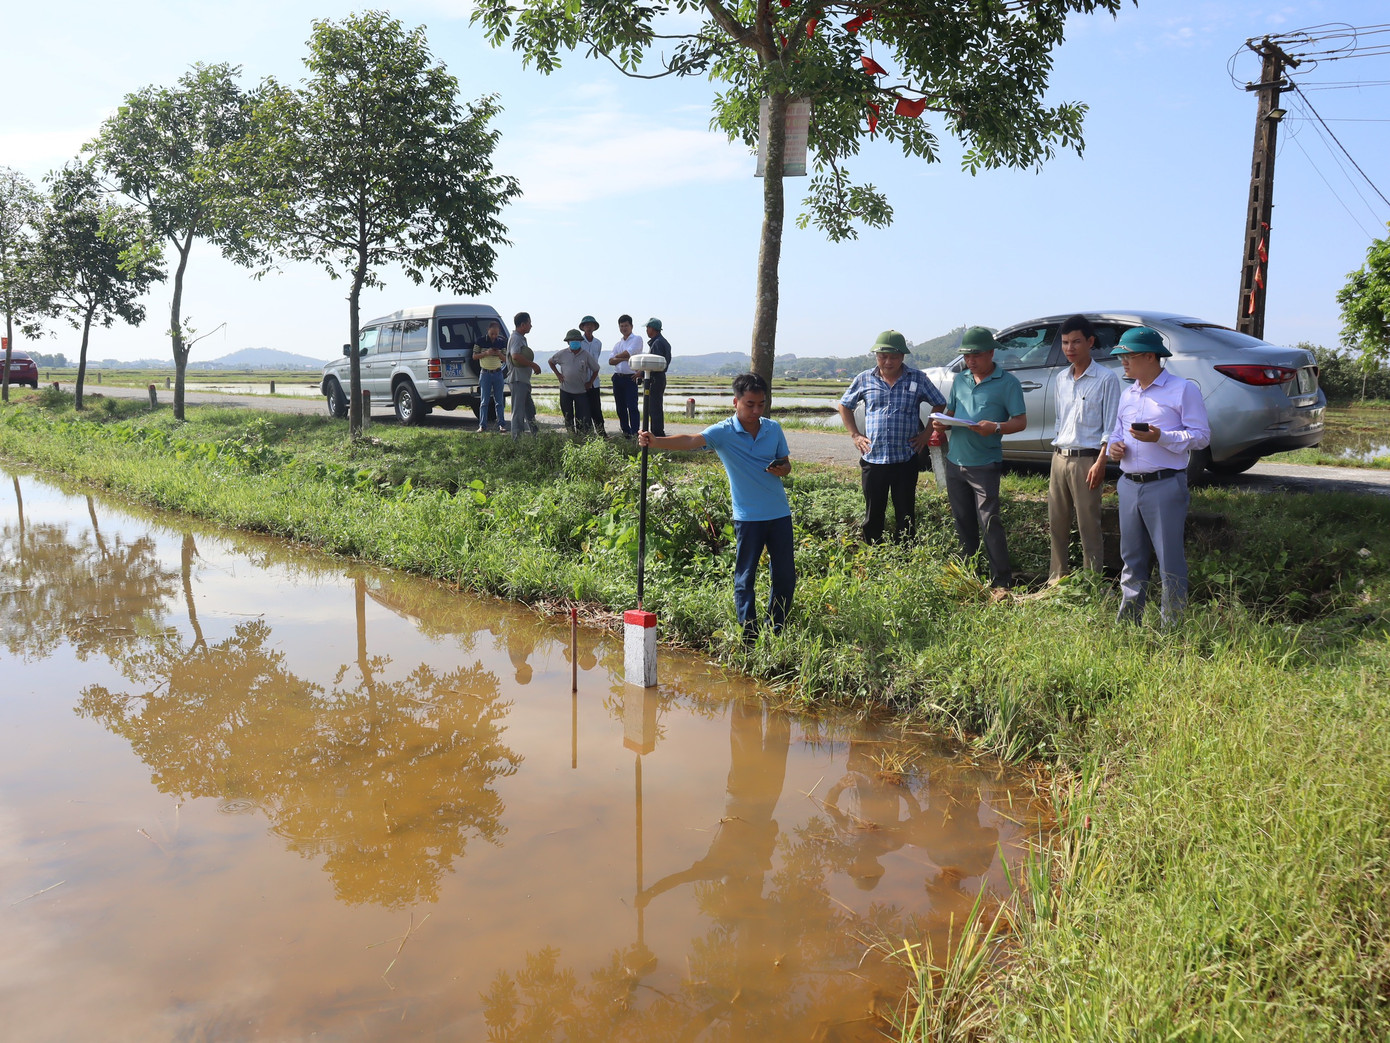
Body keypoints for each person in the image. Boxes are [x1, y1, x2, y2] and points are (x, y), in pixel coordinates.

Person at [639, 373, 794, 637]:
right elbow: (690, 440)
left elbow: (786, 463)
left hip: (779, 513)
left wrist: (783, 470)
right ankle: (749, 633)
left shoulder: (773, 429)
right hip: (748, 517)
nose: (756, 410)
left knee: (785, 577)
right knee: (745, 577)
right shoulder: (723, 432)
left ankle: (777, 628)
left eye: (761, 404)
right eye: (749, 404)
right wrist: (656, 442)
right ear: (736, 402)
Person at [1106, 326, 1210, 625]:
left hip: (1165, 484)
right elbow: (1116, 431)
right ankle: (1128, 623)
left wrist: (1161, 437)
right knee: (1131, 558)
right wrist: (1115, 447)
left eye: (1128, 357)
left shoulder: (1182, 389)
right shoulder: (1128, 393)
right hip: (1128, 485)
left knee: (1169, 560)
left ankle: (1172, 626)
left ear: (1150, 356)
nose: (1123, 363)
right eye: (1121, 358)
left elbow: (1201, 436)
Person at [933, 326, 1027, 594]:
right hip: (956, 460)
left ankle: (1002, 581)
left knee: (989, 522)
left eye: (976, 356)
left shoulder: (1007, 383)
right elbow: (951, 412)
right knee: (962, 522)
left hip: (984, 463)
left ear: (990, 353)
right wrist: (943, 424)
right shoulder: (961, 380)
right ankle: (969, 577)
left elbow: (1020, 422)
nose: (970, 361)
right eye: (966, 356)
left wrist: (995, 427)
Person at [836, 330, 947, 543]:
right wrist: (855, 435)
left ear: (902, 357)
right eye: (883, 356)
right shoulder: (864, 379)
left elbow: (939, 402)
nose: (888, 361)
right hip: (873, 457)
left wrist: (926, 433)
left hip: (905, 458)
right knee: (873, 511)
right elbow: (844, 406)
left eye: (893, 357)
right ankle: (873, 551)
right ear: (876, 356)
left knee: (905, 512)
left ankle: (906, 555)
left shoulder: (918, 378)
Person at [1047, 315, 1122, 582]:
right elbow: (1060, 420)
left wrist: (1101, 461)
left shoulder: (1106, 379)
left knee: (1088, 526)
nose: (1070, 348)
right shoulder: (1060, 379)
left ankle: (1092, 584)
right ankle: (1057, 581)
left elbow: (1111, 426)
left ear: (1090, 342)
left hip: (1087, 460)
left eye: (1076, 342)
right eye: (1066, 343)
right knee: (1057, 524)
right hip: (1059, 458)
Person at [549, 328, 599, 435]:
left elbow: (596, 369)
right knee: (568, 415)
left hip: (581, 391)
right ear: (568, 342)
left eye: (577, 340)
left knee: (582, 417)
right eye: (572, 340)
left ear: (580, 341)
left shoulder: (585, 355)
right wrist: (558, 374)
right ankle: (571, 435)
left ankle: (581, 436)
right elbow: (551, 361)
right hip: (565, 390)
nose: (574, 342)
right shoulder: (562, 354)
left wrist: (590, 382)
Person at [607, 314, 643, 437]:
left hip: (630, 378)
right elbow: (610, 361)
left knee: (632, 407)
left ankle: (635, 432)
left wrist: (618, 357)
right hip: (618, 377)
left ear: (631, 326)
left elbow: (629, 353)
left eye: (626, 325)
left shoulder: (637, 339)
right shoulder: (618, 344)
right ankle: (625, 431)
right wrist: (624, 357)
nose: (624, 328)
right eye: (621, 326)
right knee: (620, 407)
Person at [507, 311, 540, 438]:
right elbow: (515, 356)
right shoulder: (516, 338)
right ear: (522, 325)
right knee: (518, 412)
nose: (531, 326)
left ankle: (536, 436)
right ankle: (516, 440)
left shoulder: (521, 338)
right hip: (517, 379)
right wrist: (533, 365)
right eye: (529, 323)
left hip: (524, 380)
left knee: (529, 410)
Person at [472, 319, 509, 433]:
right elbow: (474, 356)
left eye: (496, 334)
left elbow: (506, 359)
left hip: (498, 373)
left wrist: (498, 353)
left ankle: (501, 424)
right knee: (484, 401)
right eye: (492, 333)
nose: (494, 336)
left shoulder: (501, 342)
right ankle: (482, 425)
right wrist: (486, 353)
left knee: (499, 401)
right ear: (488, 330)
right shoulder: (480, 341)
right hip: (485, 373)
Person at [642, 318, 672, 437]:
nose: (646, 330)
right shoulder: (661, 341)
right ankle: (657, 433)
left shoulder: (657, 343)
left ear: (652, 329)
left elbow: (654, 364)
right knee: (655, 407)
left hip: (655, 379)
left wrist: (641, 372)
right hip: (659, 379)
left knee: (654, 408)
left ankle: (658, 434)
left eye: (647, 328)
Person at [578, 315, 607, 437]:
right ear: (583, 327)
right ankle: (585, 434)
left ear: (595, 327)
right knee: (583, 409)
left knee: (596, 409)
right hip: (582, 382)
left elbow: (595, 362)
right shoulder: (579, 342)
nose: (589, 327)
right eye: (587, 325)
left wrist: (591, 381)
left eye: (591, 325)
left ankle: (601, 434)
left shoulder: (598, 343)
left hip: (594, 381)